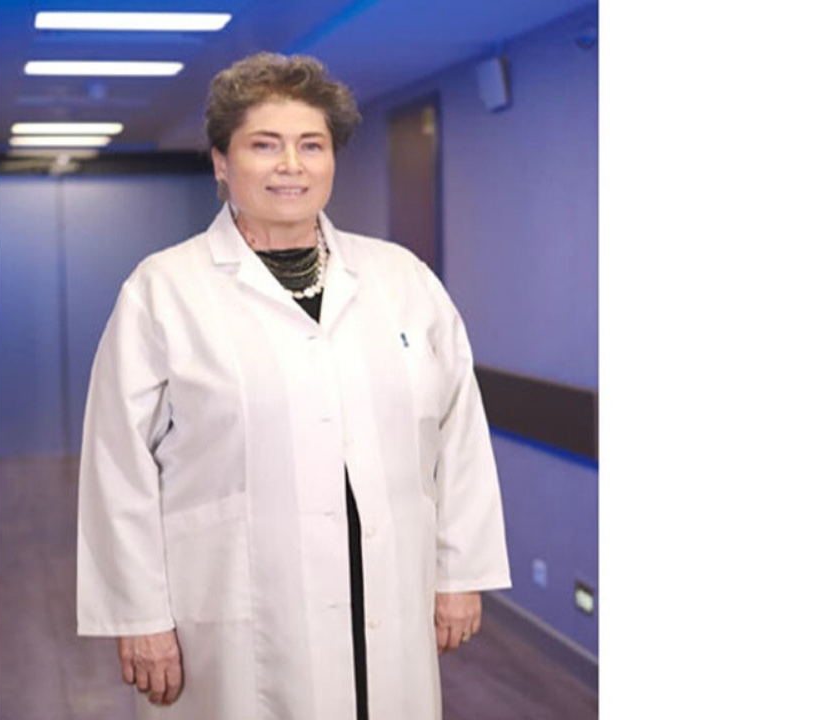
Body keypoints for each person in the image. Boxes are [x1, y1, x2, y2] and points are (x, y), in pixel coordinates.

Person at [77, 52, 511, 720]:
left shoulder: (402, 278)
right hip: (237, 606)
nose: (291, 165)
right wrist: (139, 617)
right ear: (221, 162)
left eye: (311, 145)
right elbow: (117, 465)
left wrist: (461, 573)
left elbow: (460, 434)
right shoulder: (163, 290)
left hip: (387, 592)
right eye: (264, 145)